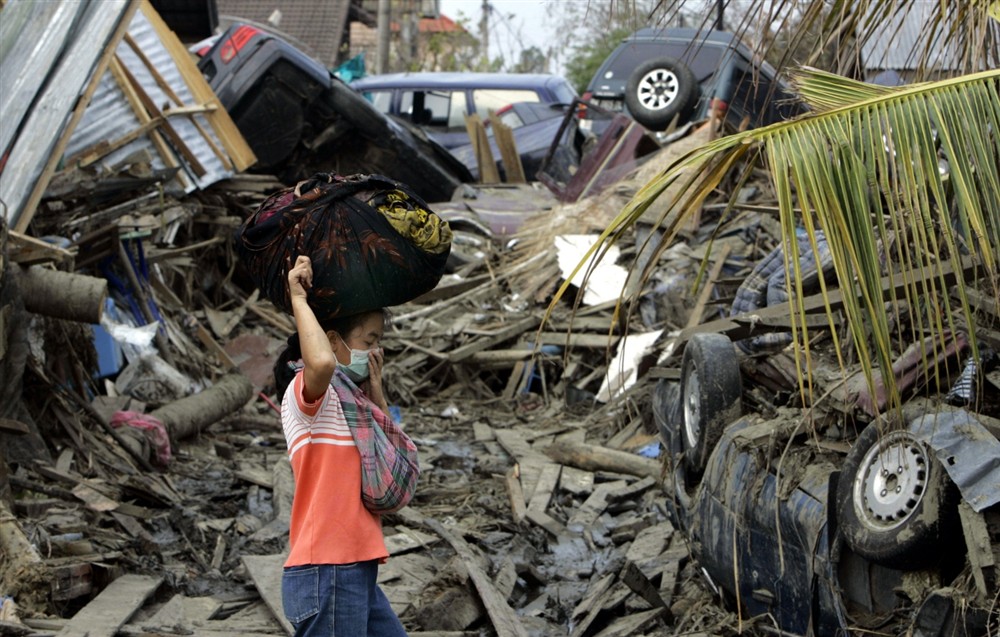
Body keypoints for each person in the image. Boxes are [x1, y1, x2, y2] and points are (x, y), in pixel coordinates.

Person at [274, 255, 408, 637]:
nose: (376, 352)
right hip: (327, 570)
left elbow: (393, 469)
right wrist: (299, 299)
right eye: (370, 341)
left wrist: (377, 397)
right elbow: (320, 365)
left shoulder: (356, 409)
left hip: (354, 567)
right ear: (333, 341)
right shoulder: (307, 395)